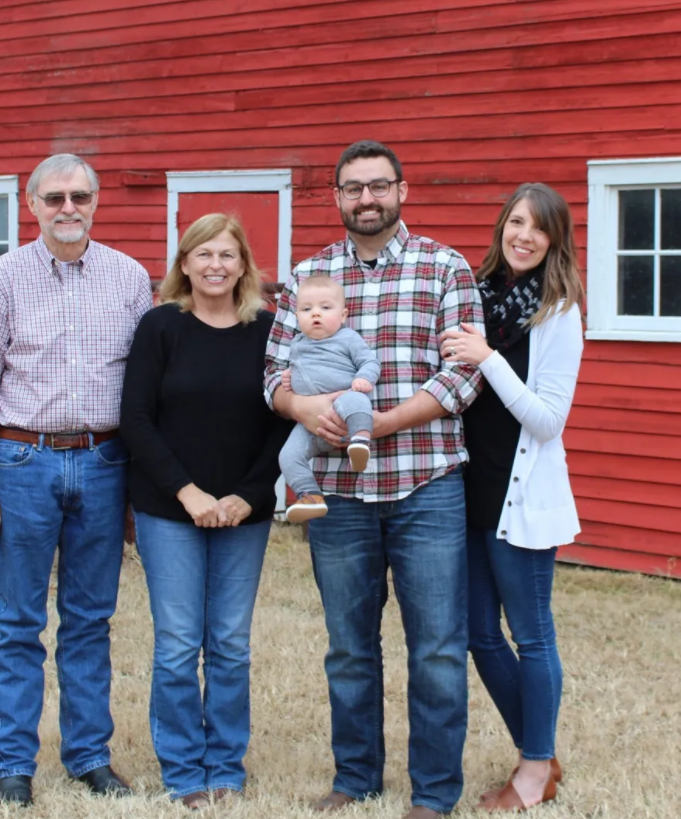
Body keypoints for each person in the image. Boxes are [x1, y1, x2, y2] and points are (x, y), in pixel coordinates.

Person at [264, 140, 484, 819]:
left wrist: (382, 424)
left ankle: (433, 793)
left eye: (378, 186)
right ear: (335, 197)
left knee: (440, 650)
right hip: (337, 492)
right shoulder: (309, 274)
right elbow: (273, 373)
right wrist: (302, 406)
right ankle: (354, 776)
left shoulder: (443, 267)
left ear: (401, 190)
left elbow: (461, 375)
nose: (367, 198)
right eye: (353, 188)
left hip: (426, 484)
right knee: (349, 647)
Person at [0, 154, 152, 806]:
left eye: (80, 196)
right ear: (32, 204)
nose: (68, 207)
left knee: (89, 619)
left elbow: (145, 383)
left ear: (95, 203)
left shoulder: (128, 278)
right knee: (16, 620)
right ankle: (15, 762)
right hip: (22, 462)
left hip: (102, 463)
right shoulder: (0, 280)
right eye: (55, 197)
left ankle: (88, 755)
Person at [120, 213, 293, 810]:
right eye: (203, 254)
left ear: (244, 264)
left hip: (246, 509)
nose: (215, 265)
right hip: (170, 511)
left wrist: (250, 494)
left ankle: (224, 763)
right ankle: (183, 770)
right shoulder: (160, 327)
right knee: (175, 643)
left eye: (227, 254)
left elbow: (283, 420)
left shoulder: (269, 331)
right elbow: (135, 419)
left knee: (229, 643)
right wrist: (187, 493)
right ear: (185, 263)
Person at [439, 183, 583, 813]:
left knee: (532, 635)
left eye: (538, 228)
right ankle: (541, 749)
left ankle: (531, 768)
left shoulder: (557, 310)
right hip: (467, 492)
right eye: (515, 222)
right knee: (477, 633)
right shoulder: (478, 296)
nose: (523, 236)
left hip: (518, 500)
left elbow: (548, 419)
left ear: (555, 241)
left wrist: (490, 358)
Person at [279, 275, 381, 523]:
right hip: (311, 423)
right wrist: (288, 378)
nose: (316, 314)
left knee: (356, 400)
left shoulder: (347, 338)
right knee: (288, 456)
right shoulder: (298, 343)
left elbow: (370, 361)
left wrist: (364, 378)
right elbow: (300, 369)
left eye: (325, 308)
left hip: (343, 405)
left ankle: (360, 441)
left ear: (344, 315)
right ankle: (310, 495)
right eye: (307, 309)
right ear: (297, 315)